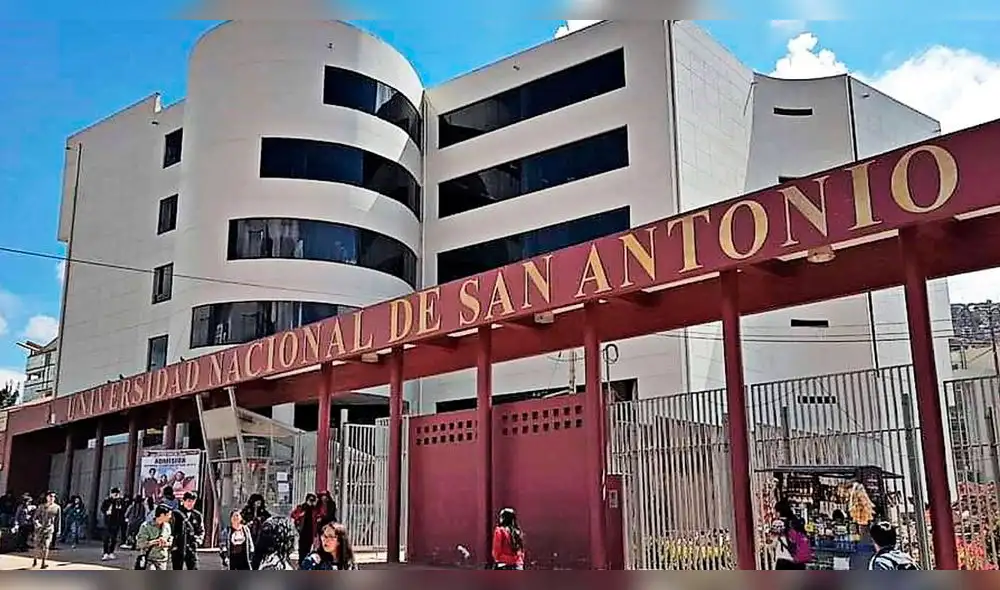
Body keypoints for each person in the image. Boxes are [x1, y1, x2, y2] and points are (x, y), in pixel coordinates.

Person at [170, 491, 205, 570]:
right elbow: (171, 529)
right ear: (183, 501)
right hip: (178, 546)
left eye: (193, 502)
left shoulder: (197, 515)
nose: (191, 504)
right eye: (189, 501)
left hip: (191, 546)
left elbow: (201, 530)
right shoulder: (176, 514)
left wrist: (198, 540)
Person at [772, 500, 811, 569]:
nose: (774, 512)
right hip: (799, 560)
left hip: (785, 560)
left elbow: (771, 539)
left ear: (779, 511)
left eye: (775, 510)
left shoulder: (778, 523)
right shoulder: (796, 521)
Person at [135, 505, 173, 570]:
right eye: (168, 515)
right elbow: (140, 543)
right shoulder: (146, 526)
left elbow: (170, 539)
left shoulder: (167, 526)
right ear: (162, 515)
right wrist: (153, 542)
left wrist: (167, 543)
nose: (170, 517)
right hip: (149, 559)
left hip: (162, 560)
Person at [31, 492, 61, 569]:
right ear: (47, 497)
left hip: (49, 529)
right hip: (40, 529)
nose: (52, 498)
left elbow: (58, 520)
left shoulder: (57, 507)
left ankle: (43, 562)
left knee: (46, 546)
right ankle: (35, 559)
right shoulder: (41, 506)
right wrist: (37, 523)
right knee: (37, 545)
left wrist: (58, 530)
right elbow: (35, 517)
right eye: (50, 496)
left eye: (54, 497)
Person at [290, 493, 321, 563]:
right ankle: (301, 560)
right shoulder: (301, 507)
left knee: (308, 547)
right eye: (310, 500)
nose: (311, 502)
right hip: (303, 530)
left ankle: (305, 561)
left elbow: (318, 518)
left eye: (313, 500)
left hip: (311, 531)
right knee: (302, 547)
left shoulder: (314, 510)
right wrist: (299, 515)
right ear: (307, 500)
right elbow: (293, 514)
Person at [99, 487, 126, 561]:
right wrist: (106, 512)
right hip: (108, 521)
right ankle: (105, 553)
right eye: (114, 493)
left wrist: (119, 500)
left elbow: (123, 509)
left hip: (116, 521)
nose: (116, 495)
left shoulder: (120, 501)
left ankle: (111, 552)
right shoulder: (107, 500)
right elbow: (102, 508)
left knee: (114, 538)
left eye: (117, 493)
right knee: (106, 538)